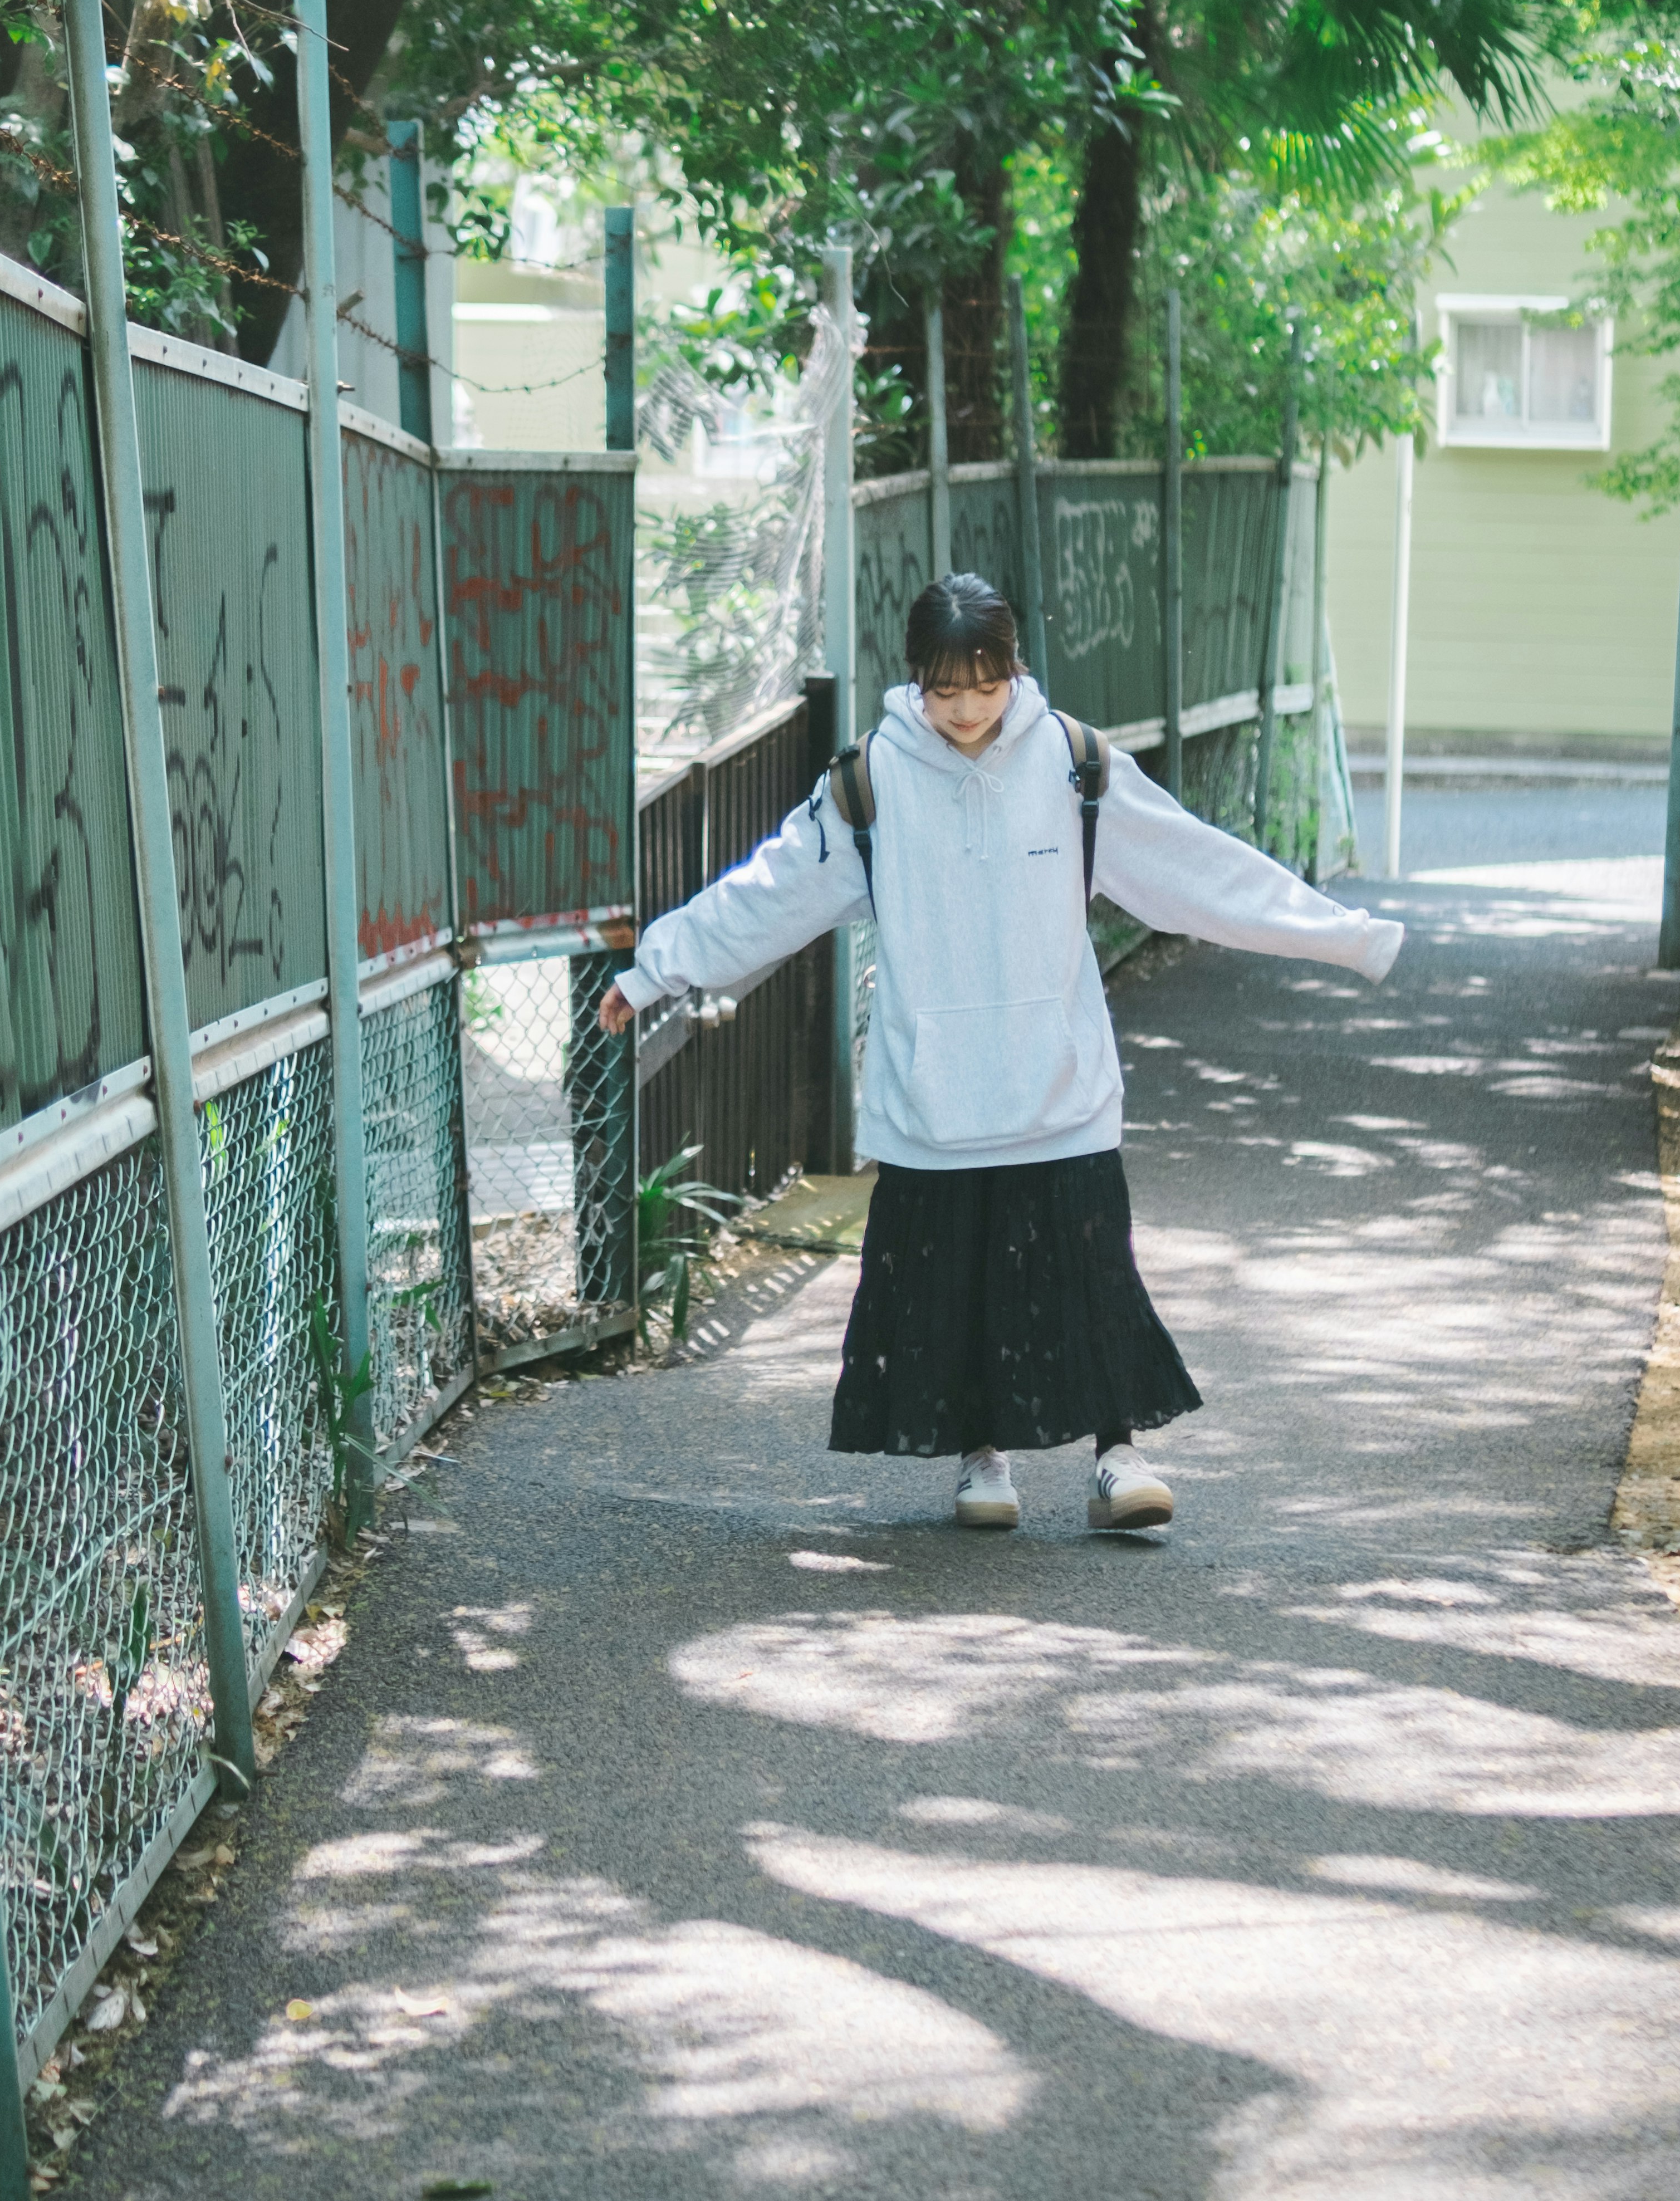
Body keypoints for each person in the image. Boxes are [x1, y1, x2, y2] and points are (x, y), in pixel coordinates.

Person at [598, 574, 1402, 1533]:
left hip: (1059, 1090)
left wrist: (1343, 934)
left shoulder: (1072, 765)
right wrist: (657, 969)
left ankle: (1119, 1457)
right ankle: (983, 1462)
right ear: (916, 682)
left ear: (1014, 669)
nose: (968, 709)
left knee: (1095, 1281)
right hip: (935, 1107)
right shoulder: (869, 785)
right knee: (955, 1294)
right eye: (945, 690)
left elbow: (1197, 868)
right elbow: (768, 894)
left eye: (985, 683)